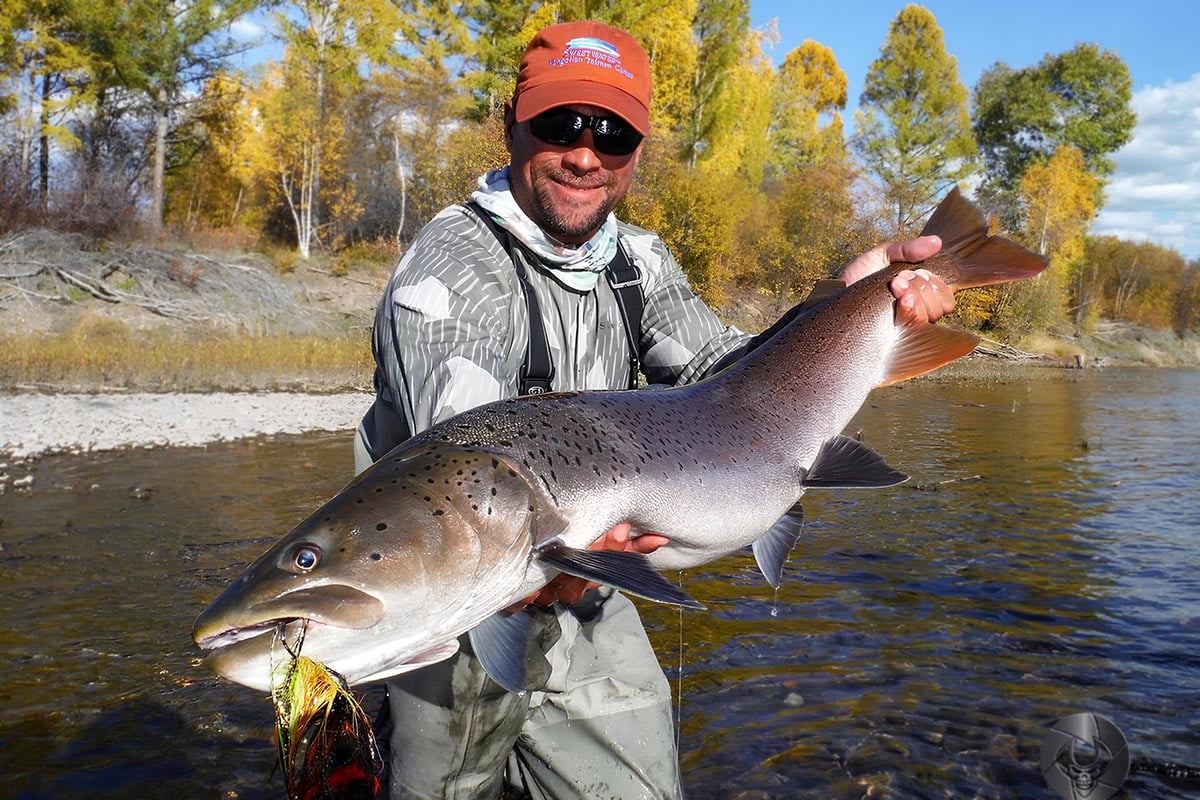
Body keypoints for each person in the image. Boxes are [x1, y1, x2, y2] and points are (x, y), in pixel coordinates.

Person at [353, 20, 955, 800]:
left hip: (592, 584)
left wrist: (849, 299)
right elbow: (467, 496)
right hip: (453, 603)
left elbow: (731, 382)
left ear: (637, 149)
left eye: (613, 132)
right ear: (511, 123)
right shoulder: (448, 274)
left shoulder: (637, 261)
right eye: (560, 124)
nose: (584, 153)